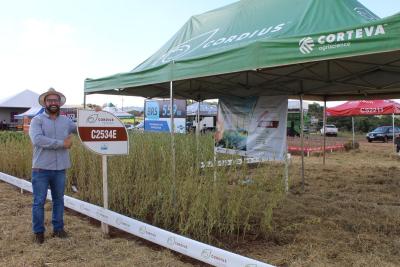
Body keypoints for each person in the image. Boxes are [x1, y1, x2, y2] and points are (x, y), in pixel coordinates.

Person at [29, 88, 76, 244]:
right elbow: (38, 140)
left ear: (59, 103)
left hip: (60, 168)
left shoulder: (67, 121)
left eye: (56, 100)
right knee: (39, 202)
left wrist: (96, 115)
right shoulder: (37, 120)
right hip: (41, 168)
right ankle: (38, 233)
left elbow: (82, 128)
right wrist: (62, 144)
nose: (53, 103)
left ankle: (58, 229)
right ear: (45, 103)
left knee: (59, 200)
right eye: (50, 100)